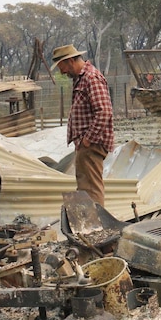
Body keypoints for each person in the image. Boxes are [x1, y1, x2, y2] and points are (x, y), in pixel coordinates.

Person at [51, 44, 114, 206]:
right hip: (86, 143)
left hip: (92, 143)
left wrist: (88, 139)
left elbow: (104, 111)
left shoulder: (91, 78)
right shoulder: (82, 78)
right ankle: (91, 224)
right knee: (85, 188)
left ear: (70, 61)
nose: (62, 72)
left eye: (62, 67)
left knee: (91, 189)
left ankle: (96, 226)